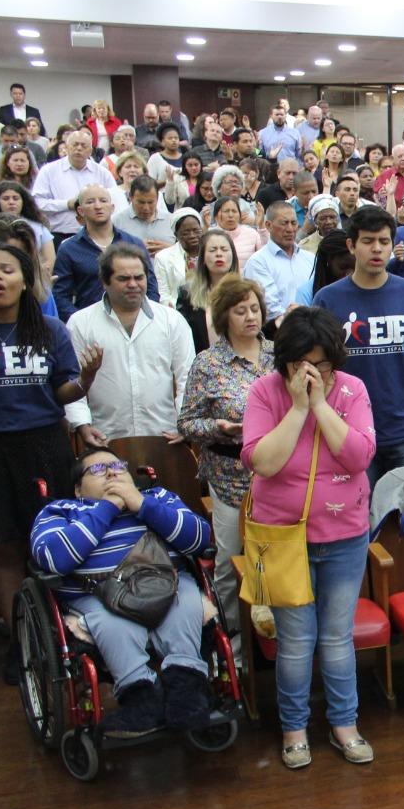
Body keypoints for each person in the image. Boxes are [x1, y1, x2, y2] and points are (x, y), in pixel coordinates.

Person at [242, 307, 378, 769]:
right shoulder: (264, 391)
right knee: (296, 641)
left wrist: (321, 404)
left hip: (345, 534)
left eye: (320, 365)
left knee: (338, 636)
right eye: (299, 364)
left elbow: (358, 455)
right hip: (282, 538)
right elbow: (263, 461)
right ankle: (294, 730)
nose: (309, 373)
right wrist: (299, 408)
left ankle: (344, 725)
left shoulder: (352, 389)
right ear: (283, 361)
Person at [29, 449, 212, 738]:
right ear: (78, 489)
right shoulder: (61, 512)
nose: (112, 472)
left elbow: (199, 539)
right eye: (99, 470)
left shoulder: (158, 498)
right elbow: (55, 559)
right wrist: (108, 507)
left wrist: (140, 504)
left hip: (167, 583)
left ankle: (187, 692)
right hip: (98, 595)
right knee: (111, 622)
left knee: (185, 603)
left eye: (117, 466)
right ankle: (142, 699)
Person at [0, 242, 96, 681]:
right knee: (4, 547)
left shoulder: (49, 329)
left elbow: (64, 391)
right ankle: (22, 642)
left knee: (53, 545)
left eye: (6, 270)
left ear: (25, 280)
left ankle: (65, 637)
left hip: (44, 446)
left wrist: (86, 379)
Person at [313, 206, 404, 486]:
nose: (376, 249)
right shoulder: (327, 299)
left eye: (384, 241)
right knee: (356, 518)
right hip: (347, 427)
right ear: (352, 245)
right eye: (368, 241)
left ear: (392, 244)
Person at [177, 274, 273, 650]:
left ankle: (275, 632)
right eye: (240, 310)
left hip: (278, 473)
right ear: (223, 317)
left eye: (254, 308)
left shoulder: (278, 354)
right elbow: (186, 423)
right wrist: (219, 427)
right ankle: (233, 637)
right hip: (231, 475)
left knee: (275, 556)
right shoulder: (208, 363)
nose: (250, 317)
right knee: (232, 558)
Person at [62, 243, 194, 447]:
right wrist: (82, 424)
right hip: (106, 438)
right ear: (105, 282)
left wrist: (185, 423)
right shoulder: (81, 323)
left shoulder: (171, 320)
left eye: (139, 277)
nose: (133, 284)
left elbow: (187, 377)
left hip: (165, 437)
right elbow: (72, 380)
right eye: (123, 279)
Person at [51, 186, 158, 316]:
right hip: (88, 325)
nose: (98, 206)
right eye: (90, 202)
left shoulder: (133, 243)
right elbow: (60, 296)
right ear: (80, 210)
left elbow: (151, 286)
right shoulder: (69, 248)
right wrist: (79, 322)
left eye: (103, 201)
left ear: (112, 207)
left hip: (134, 320)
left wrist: (145, 317)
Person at [33, 130, 118, 241]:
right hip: (58, 235)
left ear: (90, 151)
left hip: (96, 235)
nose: (79, 148)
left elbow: (115, 202)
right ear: (67, 147)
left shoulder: (102, 173)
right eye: (75, 144)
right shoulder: (49, 171)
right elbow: (38, 203)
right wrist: (66, 204)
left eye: (84, 145)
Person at [242, 200, 314, 321]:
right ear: (268, 225)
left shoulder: (310, 258)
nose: (290, 229)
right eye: (284, 223)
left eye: (294, 223)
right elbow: (270, 307)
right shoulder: (258, 262)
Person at [176, 228, 239, 352]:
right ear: (203, 257)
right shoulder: (187, 294)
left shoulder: (246, 291)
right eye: (213, 250)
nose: (219, 254)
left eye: (224, 249)